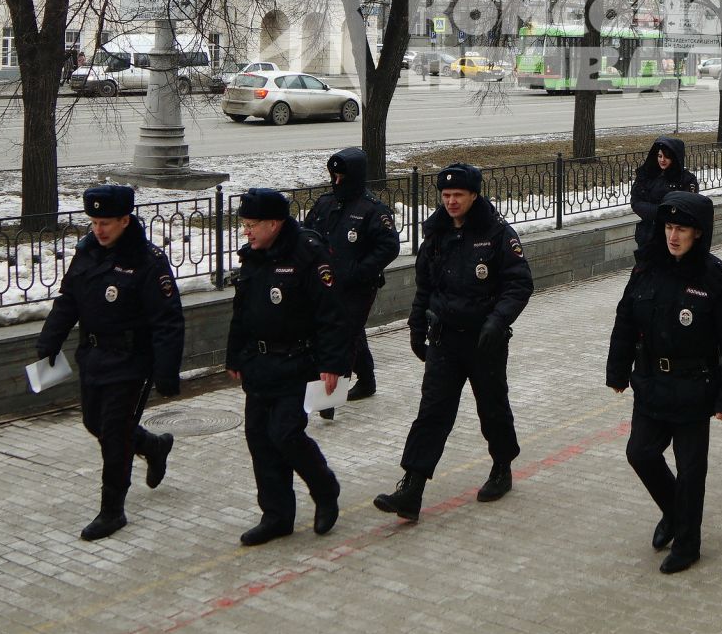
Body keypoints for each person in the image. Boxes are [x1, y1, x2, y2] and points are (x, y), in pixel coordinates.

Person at [374, 164, 533, 522]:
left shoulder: (496, 233)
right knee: (432, 412)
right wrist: (416, 327)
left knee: (491, 407)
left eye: (458, 195)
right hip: (445, 339)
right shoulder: (437, 234)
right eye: (445, 196)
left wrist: (497, 321)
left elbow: (519, 284)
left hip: (484, 341)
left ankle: (502, 465)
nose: (451, 202)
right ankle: (411, 488)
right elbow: (425, 288)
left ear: (474, 195)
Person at [607, 191, 722, 574]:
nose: (673, 236)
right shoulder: (647, 268)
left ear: (698, 234)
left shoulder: (716, 278)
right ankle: (674, 513)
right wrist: (617, 371)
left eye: (682, 229)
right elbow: (625, 321)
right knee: (640, 453)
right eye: (669, 227)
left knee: (690, 470)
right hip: (651, 381)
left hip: (694, 386)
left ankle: (688, 544)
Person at [33, 184, 184, 541]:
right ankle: (152, 445)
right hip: (94, 356)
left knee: (114, 435)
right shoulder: (87, 253)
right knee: (94, 422)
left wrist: (166, 371)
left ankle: (112, 510)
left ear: (125, 220)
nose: (98, 230)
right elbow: (68, 299)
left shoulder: (147, 260)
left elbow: (168, 320)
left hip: (131, 361)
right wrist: (49, 341)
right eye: (94, 222)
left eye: (106, 223)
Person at [226, 188, 351, 544]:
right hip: (259, 365)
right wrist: (235, 354)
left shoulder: (307, 255)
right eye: (244, 225)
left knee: (285, 434)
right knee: (260, 440)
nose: (246, 232)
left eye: (252, 225)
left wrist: (333, 363)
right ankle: (277, 515)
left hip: (298, 363)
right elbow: (242, 311)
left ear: (274, 223)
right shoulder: (253, 256)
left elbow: (332, 314)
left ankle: (325, 489)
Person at [304, 148, 401, 416]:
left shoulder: (372, 210)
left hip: (358, 285)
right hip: (326, 283)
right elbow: (307, 233)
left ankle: (327, 401)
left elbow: (389, 246)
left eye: (341, 177)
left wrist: (358, 271)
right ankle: (367, 380)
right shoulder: (325, 204)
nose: (336, 182)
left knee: (343, 336)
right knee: (350, 331)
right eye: (333, 176)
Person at [630, 137, 699, 250]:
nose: (662, 160)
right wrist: (662, 211)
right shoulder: (647, 175)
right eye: (659, 156)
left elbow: (686, 209)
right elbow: (636, 202)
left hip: (675, 238)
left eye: (667, 157)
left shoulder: (686, 179)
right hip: (648, 234)